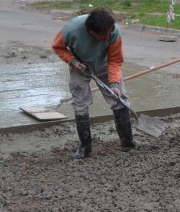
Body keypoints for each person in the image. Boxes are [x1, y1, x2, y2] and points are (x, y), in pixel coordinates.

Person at [51, 8, 135, 159]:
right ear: (90, 31)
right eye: (103, 35)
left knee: (120, 100)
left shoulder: (113, 31)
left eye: (109, 33)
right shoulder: (71, 30)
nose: (107, 37)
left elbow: (115, 60)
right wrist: (73, 61)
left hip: (104, 64)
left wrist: (114, 85)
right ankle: (85, 147)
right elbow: (58, 47)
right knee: (80, 103)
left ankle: (127, 143)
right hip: (80, 65)